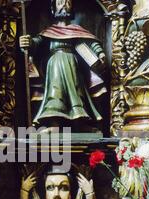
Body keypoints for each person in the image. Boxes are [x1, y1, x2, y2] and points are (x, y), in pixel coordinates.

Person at [19, 0, 106, 131]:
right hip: (54, 64)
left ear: (72, 8)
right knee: (55, 90)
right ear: (53, 9)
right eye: (60, 2)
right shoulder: (49, 31)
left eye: (68, 3)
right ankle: (54, 123)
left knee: (76, 91)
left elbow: (90, 43)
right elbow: (36, 43)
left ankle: (80, 123)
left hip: (72, 63)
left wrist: (100, 53)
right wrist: (28, 42)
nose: (64, 6)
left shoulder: (77, 30)